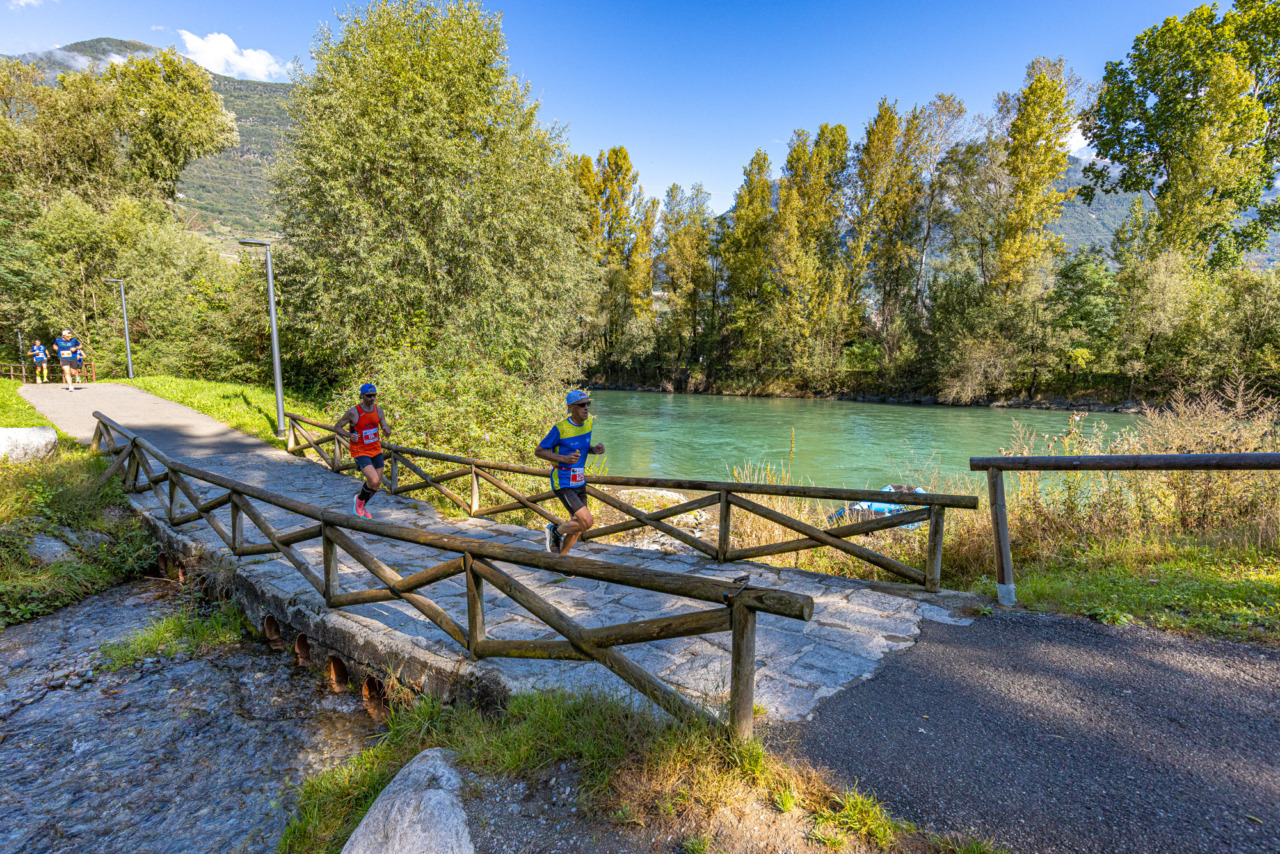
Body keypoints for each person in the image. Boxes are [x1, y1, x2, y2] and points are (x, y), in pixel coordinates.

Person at [534, 390, 604, 555]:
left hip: (579, 480)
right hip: (563, 481)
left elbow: (582, 447)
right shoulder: (560, 428)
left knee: (578, 527)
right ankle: (555, 531)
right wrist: (564, 458)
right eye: (582, 405)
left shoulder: (589, 424)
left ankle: (561, 561)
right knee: (586, 521)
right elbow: (539, 451)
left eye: (588, 404)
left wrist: (594, 449)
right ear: (571, 407)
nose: (586, 408)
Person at [334, 383, 392, 519]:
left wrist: (386, 430)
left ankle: (361, 504)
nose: (372, 398)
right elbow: (337, 427)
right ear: (362, 396)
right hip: (360, 451)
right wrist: (349, 435)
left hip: (376, 449)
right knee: (373, 479)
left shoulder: (379, 411)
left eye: (374, 395)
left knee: (377, 483)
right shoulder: (353, 412)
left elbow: (384, 425)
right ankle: (359, 502)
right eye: (368, 396)